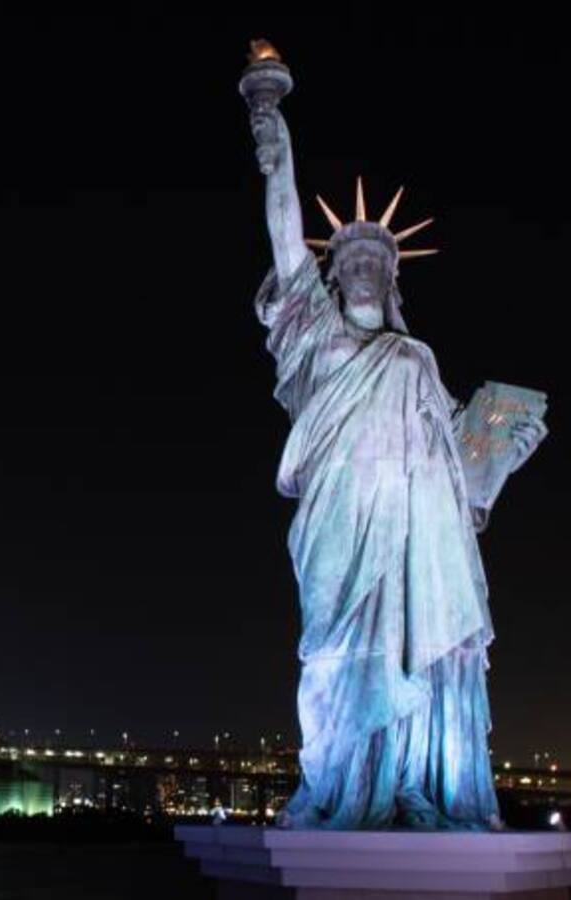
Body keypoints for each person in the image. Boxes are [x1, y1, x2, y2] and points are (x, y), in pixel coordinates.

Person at [248, 103, 546, 830]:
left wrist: (505, 453)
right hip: (339, 519)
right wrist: (272, 127)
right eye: (349, 261)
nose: (361, 269)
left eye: (374, 263)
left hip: (413, 535)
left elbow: (458, 466)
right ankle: (338, 786)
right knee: (332, 655)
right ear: (332, 276)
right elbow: (285, 232)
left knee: (415, 647)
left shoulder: (416, 359)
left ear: (390, 280)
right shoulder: (316, 336)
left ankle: (410, 781)